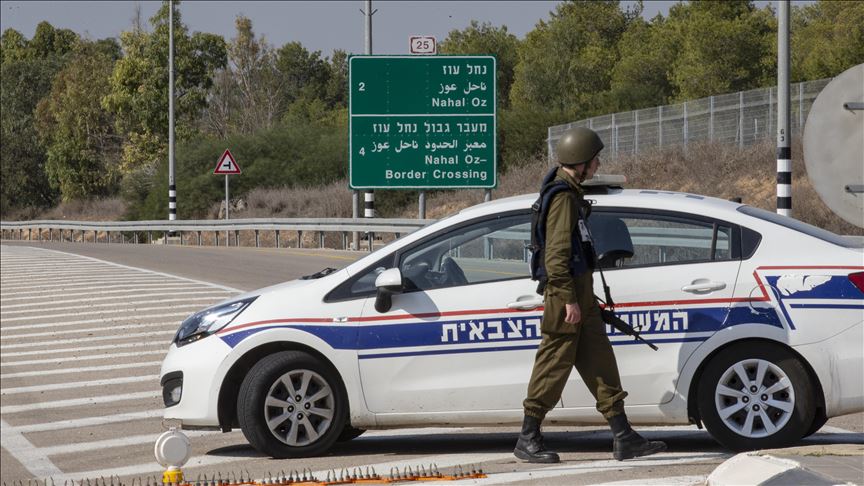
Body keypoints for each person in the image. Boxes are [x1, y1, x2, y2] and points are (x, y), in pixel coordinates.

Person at [514, 127, 667, 463]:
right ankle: (528, 437)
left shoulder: (569, 190)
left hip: (580, 291)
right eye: (595, 159)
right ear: (581, 162)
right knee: (553, 364)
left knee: (600, 361)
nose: (598, 165)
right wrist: (568, 299)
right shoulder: (563, 198)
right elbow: (555, 255)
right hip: (565, 293)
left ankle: (623, 436)